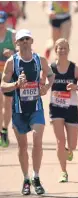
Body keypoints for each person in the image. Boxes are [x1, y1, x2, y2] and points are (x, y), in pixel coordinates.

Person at [0, 29, 55, 195]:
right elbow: (3, 84)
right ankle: (26, 178)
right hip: (18, 110)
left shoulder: (40, 60)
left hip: (36, 108)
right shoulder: (12, 62)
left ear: (32, 41)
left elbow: (51, 75)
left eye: (27, 39)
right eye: (21, 39)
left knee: (37, 139)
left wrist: (46, 87)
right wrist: (16, 84)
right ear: (16, 43)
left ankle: (36, 176)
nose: (24, 42)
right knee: (22, 146)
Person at [49, 38, 78, 183]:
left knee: (72, 144)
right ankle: (63, 171)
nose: (62, 50)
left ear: (68, 50)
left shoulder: (76, 69)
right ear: (55, 50)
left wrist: (76, 87)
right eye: (59, 48)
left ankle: (69, 151)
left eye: (65, 48)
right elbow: (43, 84)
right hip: (56, 108)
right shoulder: (50, 69)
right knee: (60, 141)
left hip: (71, 108)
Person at [0, 11, 16, 147]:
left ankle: (4, 129)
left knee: (7, 103)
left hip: (8, 74)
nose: (0, 25)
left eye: (2, 22)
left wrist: (13, 53)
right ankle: (1, 132)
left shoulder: (13, 35)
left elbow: (26, 51)